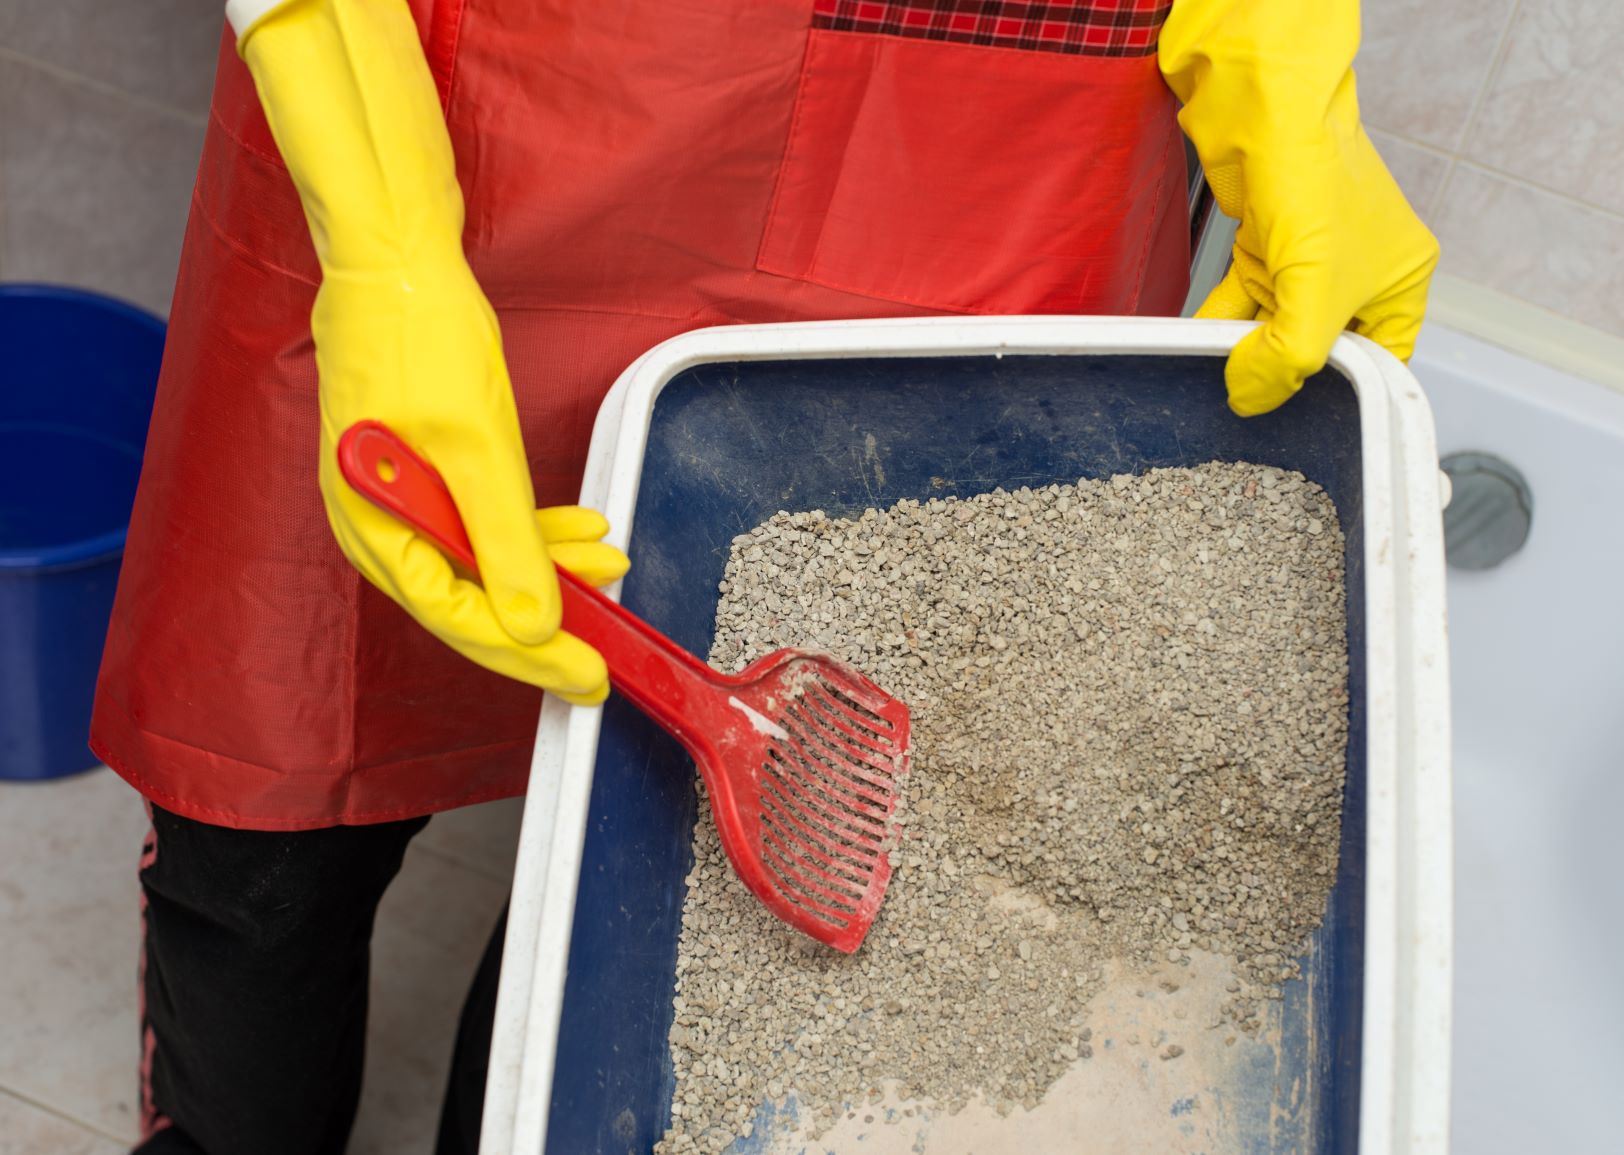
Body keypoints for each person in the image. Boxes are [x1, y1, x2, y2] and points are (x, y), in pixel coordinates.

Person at [92, 1, 1438, 1152]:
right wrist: (384, 244)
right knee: (264, 797)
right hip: (461, 93)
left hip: (984, 137)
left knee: (653, 862)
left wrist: (1280, 47)